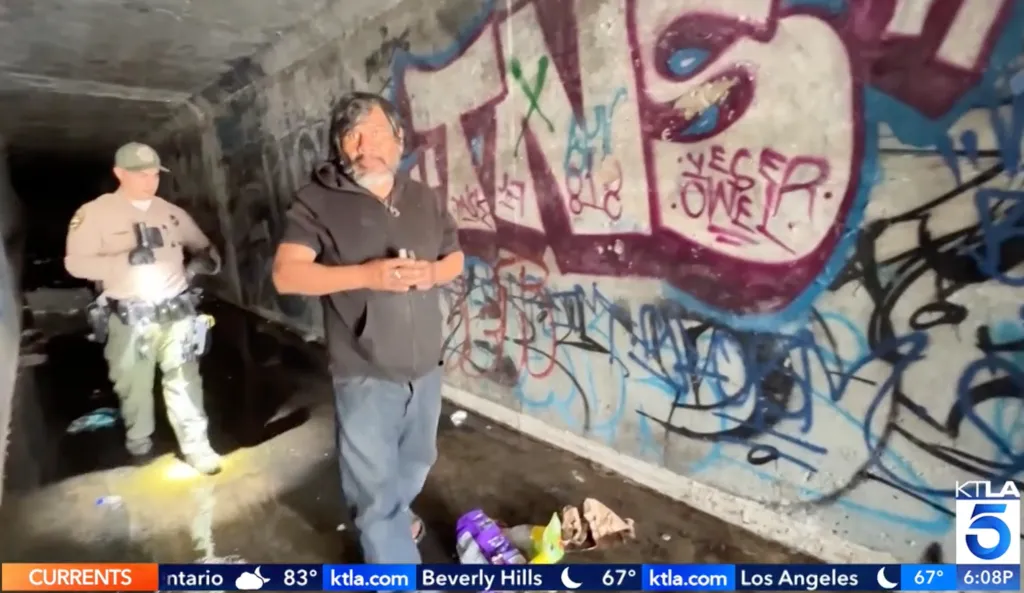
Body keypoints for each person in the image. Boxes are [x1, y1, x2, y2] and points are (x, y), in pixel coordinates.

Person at [272, 92, 465, 565]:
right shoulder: (316, 201)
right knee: (375, 491)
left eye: (379, 132)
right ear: (339, 146)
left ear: (399, 140)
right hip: (363, 370)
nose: (367, 144)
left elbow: (454, 256)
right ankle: (393, 561)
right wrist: (366, 275)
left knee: (417, 461)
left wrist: (432, 274)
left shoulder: (422, 197)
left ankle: (396, 520)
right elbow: (287, 274)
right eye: (353, 134)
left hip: (425, 366)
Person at [64, 142, 223, 475]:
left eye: (154, 174)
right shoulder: (94, 214)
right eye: (141, 175)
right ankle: (140, 443)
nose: (150, 181)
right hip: (130, 318)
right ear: (119, 173)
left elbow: (206, 249)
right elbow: (75, 264)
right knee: (133, 387)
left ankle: (197, 447)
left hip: (177, 313)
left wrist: (199, 264)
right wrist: (123, 260)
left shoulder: (170, 213)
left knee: (185, 382)